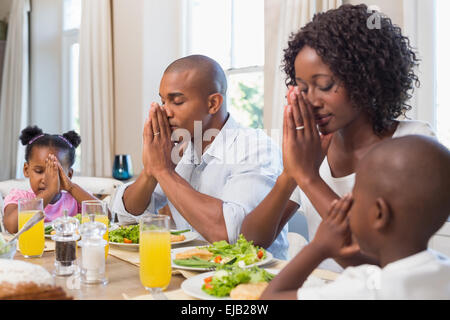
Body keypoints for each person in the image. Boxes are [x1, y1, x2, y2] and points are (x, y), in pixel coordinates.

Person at [240, 4, 435, 270]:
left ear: (365, 79)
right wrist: (290, 175)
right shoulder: (312, 148)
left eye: (324, 86)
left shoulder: (414, 143)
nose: (312, 100)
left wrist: (309, 178)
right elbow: (251, 241)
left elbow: (378, 258)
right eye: (303, 88)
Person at [112, 54, 288, 259]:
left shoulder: (255, 148)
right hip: (192, 276)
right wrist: (151, 171)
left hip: (252, 281)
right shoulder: (180, 150)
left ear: (213, 103)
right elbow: (127, 215)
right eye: (162, 101)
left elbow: (232, 235)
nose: (165, 111)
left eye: (177, 101)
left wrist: (163, 171)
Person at [261, 135, 450, 300]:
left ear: (379, 214)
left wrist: (318, 248)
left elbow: (268, 298)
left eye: (353, 196)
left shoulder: (364, 288)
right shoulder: (443, 271)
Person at [3, 126, 98, 233]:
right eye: (39, 171)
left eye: (55, 172)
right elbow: (11, 226)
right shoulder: (20, 198)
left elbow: (105, 218)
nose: (46, 179)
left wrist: (71, 187)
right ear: (26, 170)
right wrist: (50, 191)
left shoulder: (75, 199)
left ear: (69, 175)